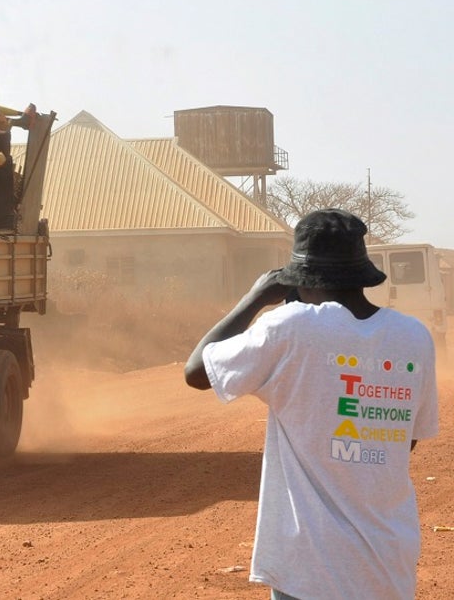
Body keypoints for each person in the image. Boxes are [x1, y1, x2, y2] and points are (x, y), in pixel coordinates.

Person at [184, 209, 439, 600]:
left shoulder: (291, 327)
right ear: (361, 273)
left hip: (312, 569)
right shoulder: (414, 337)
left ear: (298, 278)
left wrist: (255, 298)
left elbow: (198, 371)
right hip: (389, 563)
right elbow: (403, 443)